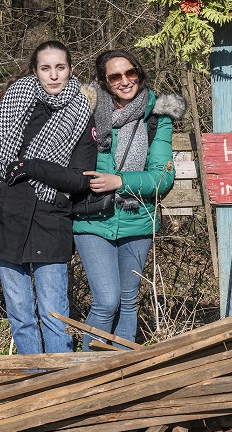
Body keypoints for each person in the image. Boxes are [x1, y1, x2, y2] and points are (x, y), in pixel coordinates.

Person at [0, 40, 97, 354]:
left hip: (50, 219)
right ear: (35, 71)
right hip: (4, 219)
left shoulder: (81, 114)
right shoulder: (13, 106)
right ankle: (32, 383)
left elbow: (79, 179)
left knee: (54, 314)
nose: (53, 75)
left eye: (60, 68)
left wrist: (33, 167)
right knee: (21, 314)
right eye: (46, 68)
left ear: (71, 69)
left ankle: (61, 385)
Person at [73, 50, 186, 350]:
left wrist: (120, 181)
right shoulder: (84, 112)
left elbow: (162, 178)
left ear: (139, 72)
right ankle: (88, 372)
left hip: (137, 220)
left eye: (130, 73)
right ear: (104, 81)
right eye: (115, 76)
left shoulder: (157, 116)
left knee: (127, 300)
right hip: (92, 220)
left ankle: (124, 373)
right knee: (106, 300)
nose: (125, 81)